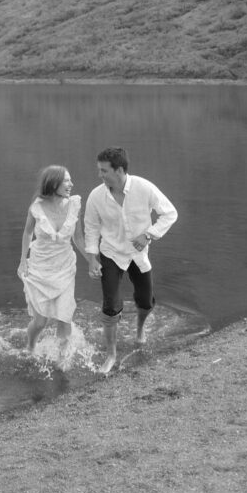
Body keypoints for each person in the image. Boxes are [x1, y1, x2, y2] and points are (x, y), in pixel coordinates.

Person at [84, 146, 178, 373]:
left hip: (138, 254)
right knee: (110, 306)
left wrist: (148, 235)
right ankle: (111, 355)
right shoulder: (96, 196)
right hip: (111, 253)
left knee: (145, 301)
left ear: (119, 170)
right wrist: (92, 259)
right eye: (99, 170)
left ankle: (140, 329)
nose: (100, 175)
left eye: (104, 170)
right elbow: (91, 227)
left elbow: (170, 213)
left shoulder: (144, 188)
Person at [17, 165, 84, 359]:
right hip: (40, 268)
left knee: (65, 317)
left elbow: (78, 239)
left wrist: (93, 261)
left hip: (64, 267)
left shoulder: (74, 205)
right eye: (66, 180)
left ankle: (63, 362)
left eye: (70, 180)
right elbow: (28, 232)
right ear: (53, 183)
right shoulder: (36, 207)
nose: (71, 184)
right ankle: (30, 347)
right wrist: (23, 261)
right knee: (40, 322)